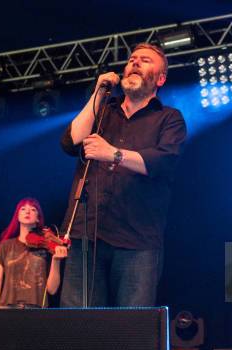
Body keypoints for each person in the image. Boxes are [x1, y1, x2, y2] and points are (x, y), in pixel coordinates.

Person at [59, 43, 186, 307]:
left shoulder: (168, 118)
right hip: (87, 234)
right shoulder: (104, 110)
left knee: (131, 329)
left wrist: (114, 153)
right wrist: (97, 93)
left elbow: (163, 161)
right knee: (78, 329)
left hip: (137, 239)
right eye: (131, 60)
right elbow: (70, 143)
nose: (135, 63)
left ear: (160, 79)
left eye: (145, 60)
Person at [0, 197, 68, 309]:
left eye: (33, 209)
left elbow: (52, 289)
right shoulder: (5, 247)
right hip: (6, 309)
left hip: (36, 311)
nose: (27, 211)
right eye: (23, 209)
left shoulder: (46, 247)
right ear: (17, 216)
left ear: (38, 219)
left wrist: (56, 260)